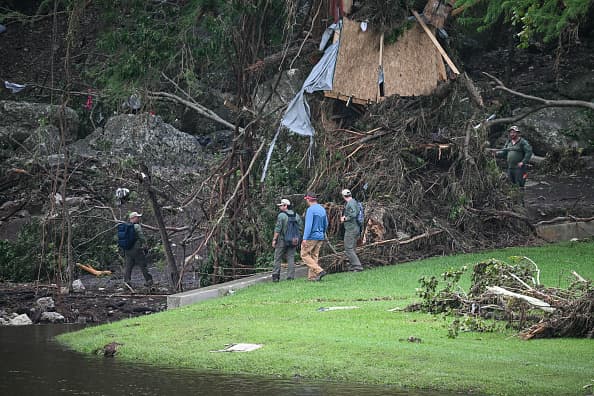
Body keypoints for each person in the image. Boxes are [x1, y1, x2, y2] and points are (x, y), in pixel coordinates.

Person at [271, 198, 303, 282]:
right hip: (293, 240)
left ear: (285, 206)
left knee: (277, 257)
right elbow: (300, 228)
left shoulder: (281, 215)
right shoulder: (296, 215)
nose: (280, 207)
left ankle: (275, 276)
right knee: (291, 257)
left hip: (282, 240)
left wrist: (274, 240)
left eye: (281, 205)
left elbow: (278, 229)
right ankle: (290, 277)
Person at [300, 192, 328, 281]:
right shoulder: (322, 209)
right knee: (314, 256)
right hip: (320, 236)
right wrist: (322, 233)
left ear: (308, 199)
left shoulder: (311, 210)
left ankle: (319, 271)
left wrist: (305, 238)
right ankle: (312, 277)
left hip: (311, 236)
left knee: (304, 254)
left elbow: (308, 225)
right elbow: (326, 223)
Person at [123, 212, 153, 289]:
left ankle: (127, 282)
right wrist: (145, 245)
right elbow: (141, 236)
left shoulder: (125, 226)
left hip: (127, 249)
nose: (138, 218)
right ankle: (149, 281)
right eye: (137, 217)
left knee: (128, 266)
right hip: (136, 249)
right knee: (143, 265)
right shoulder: (136, 226)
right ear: (132, 218)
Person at [340, 189, 364, 272]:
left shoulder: (350, 203)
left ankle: (357, 266)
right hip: (356, 228)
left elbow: (354, 214)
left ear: (343, 196)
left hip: (351, 229)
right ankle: (353, 266)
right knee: (352, 248)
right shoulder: (354, 201)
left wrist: (345, 218)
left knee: (348, 248)